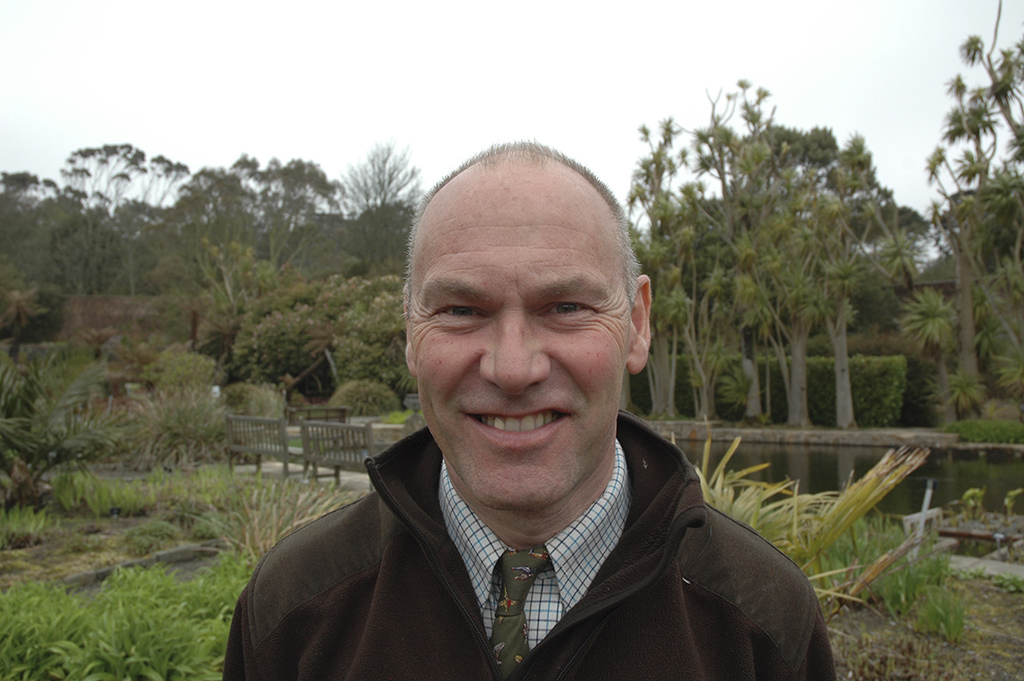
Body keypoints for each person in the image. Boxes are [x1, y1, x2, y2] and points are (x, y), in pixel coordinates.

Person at [222, 143, 836, 680]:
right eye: (461, 311)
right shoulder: (294, 609)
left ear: (638, 323)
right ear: (409, 330)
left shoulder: (763, 625)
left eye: (565, 306)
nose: (513, 369)